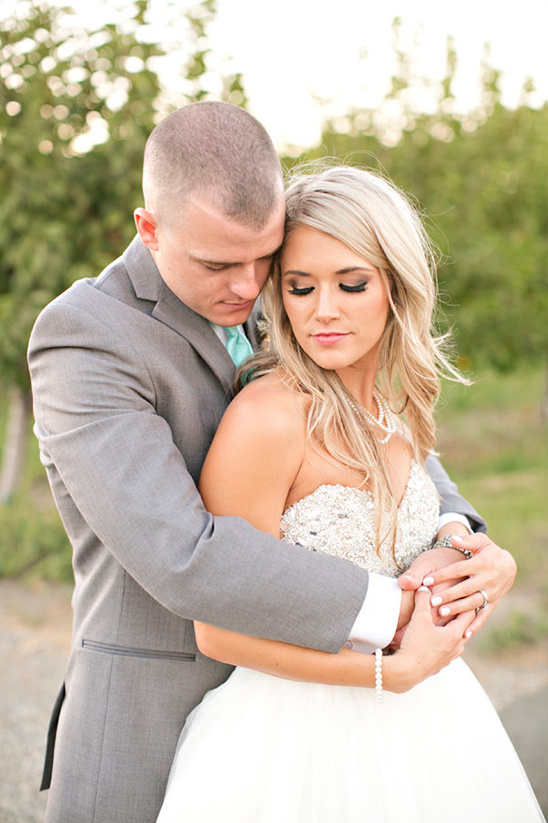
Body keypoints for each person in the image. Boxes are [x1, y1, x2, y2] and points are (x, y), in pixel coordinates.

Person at [28, 103, 515, 823]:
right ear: (149, 229)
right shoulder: (87, 338)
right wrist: (397, 608)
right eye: (219, 263)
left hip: (332, 715)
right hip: (155, 711)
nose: (250, 284)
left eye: (266, 259)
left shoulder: (289, 289)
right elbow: (183, 556)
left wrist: (460, 536)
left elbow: (367, 424)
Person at [155, 164, 544, 823]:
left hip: (434, 724)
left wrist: (467, 551)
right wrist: (383, 675)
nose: (323, 309)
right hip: (293, 743)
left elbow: (425, 530)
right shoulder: (268, 418)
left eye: (352, 283)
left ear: (396, 286)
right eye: (300, 287)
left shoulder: (396, 406)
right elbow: (216, 626)